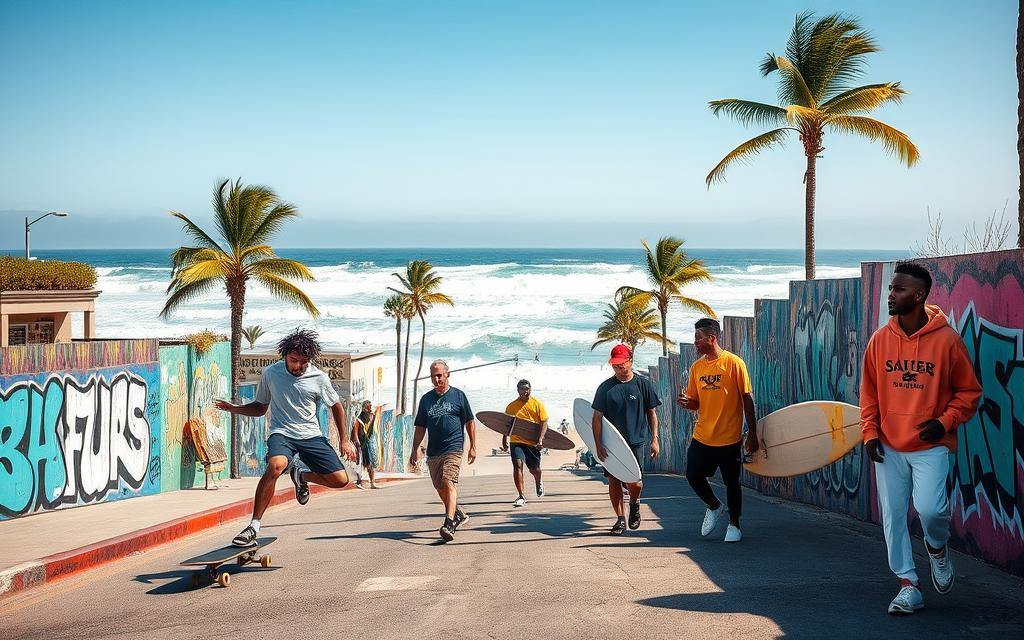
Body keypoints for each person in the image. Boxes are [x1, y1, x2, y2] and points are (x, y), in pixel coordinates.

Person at [860, 262, 981, 615]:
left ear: (919, 295)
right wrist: (869, 432)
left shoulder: (947, 341)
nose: (890, 294)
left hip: (931, 444)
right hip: (888, 445)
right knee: (893, 515)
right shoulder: (880, 341)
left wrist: (944, 423)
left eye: (898, 289)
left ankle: (937, 548)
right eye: (890, 288)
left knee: (930, 510)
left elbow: (969, 392)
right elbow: (868, 394)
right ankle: (908, 584)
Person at [215, 329, 357, 547]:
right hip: (282, 433)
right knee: (275, 466)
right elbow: (260, 407)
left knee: (340, 480)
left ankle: (302, 476)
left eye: (303, 362)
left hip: (310, 435)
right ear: (284, 355)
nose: (298, 366)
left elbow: (336, 406)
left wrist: (344, 439)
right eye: (293, 360)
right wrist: (236, 409)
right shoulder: (271, 374)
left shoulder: (319, 377)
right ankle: (253, 526)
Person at [676, 318, 758, 543]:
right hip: (702, 435)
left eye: (698, 339)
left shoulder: (734, 363)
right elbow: (696, 402)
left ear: (711, 338)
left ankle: (734, 524)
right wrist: (686, 403)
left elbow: (746, 398)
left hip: (729, 436)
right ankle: (713, 505)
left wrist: (752, 432)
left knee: (732, 482)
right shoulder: (697, 367)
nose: (696, 344)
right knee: (692, 475)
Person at [591, 344, 660, 535]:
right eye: (615, 366)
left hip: (636, 440)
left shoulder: (642, 385)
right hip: (612, 442)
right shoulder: (605, 388)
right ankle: (620, 519)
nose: (619, 369)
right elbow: (596, 419)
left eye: (622, 365)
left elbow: (651, 413)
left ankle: (635, 502)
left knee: (635, 482)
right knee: (613, 480)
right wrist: (598, 445)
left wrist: (655, 439)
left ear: (630, 361)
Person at [410, 360, 477, 542]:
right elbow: (420, 427)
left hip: (454, 448)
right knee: (440, 489)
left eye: (439, 375)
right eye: (433, 376)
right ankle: (458, 514)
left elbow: (470, 422)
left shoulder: (458, 396)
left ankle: (449, 523)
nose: (436, 378)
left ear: (448, 374)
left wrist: (472, 446)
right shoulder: (426, 400)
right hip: (433, 451)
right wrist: (414, 449)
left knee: (449, 482)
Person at [501, 379, 549, 507]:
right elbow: (507, 425)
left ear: (530, 389)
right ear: (518, 391)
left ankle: (538, 481)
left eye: (527, 389)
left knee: (535, 470)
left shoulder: (537, 404)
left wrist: (540, 439)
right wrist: (504, 439)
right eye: (522, 389)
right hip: (516, 440)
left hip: (532, 442)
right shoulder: (511, 406)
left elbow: (544, 422)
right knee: (518, 465)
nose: (525, 391)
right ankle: (521, 495)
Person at [353, 400, 382, 489]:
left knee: (370, 464)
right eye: (369, 407)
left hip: (369, 444)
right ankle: (359, 482)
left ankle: (372, 483)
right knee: (360, 464)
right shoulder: (359, 419)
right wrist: (357, 443)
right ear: (365, 408)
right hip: (361, 444)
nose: (370, 409)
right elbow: (355, 432)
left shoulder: (371, 418)